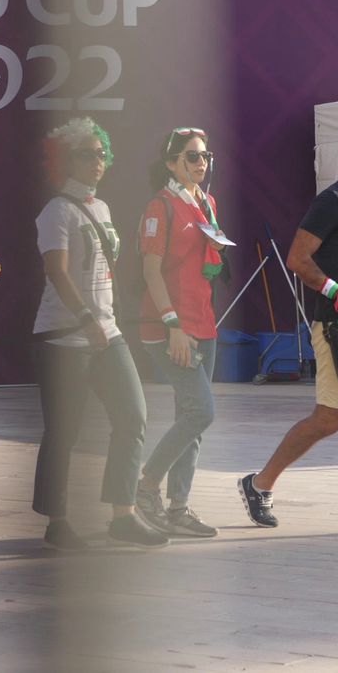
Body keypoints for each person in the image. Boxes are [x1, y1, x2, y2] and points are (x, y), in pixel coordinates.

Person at [239, 114, 338, 528]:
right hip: (337, 331)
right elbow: (297, 260)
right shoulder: (333, 201)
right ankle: (260, 483)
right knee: (329, 419)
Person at [29, 118, 169, 550]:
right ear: (67, 159)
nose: (98, 161)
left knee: (133, 416)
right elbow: (58, 271)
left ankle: (122, 514)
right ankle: (57, 521)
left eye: (102, 153)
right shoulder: (57, 211)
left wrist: (102, 321)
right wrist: (86, 319)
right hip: (63, 335)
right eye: (88, 154)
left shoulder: (102, 208)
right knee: (63, 431)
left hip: (107, 332)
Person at [131, 127, 225, 539]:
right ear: (172, 163)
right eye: (191, 157)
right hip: (169, 326)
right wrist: (173, 325)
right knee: (200, 412)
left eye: (205, 156)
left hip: (204, 323)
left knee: (193, 419)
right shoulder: (161, 206)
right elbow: (150, 271)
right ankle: (146, 485)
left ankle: (178, 507)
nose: (200, 163)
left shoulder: (207, 202)